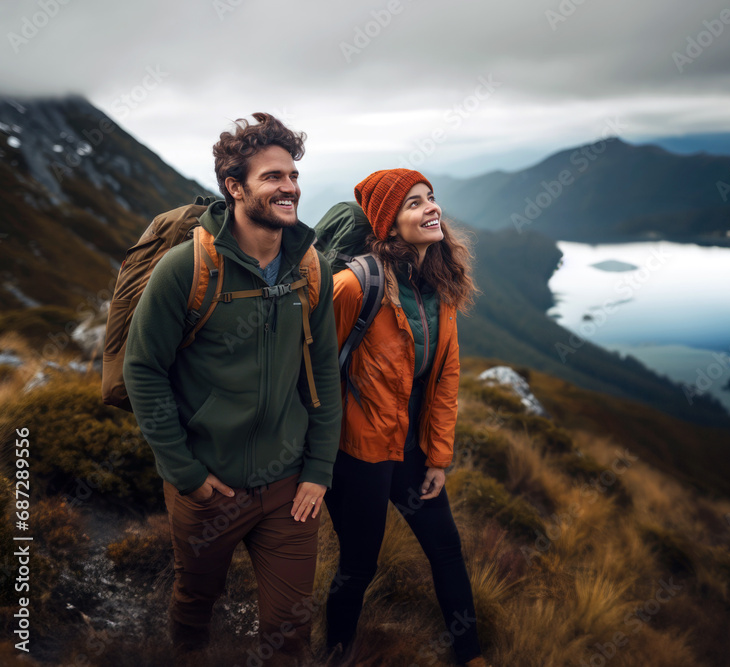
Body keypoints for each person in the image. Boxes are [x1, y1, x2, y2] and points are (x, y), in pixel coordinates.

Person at [123, 113, 341, 662]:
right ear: (235, 187)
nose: (288, 186)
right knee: (195, 602)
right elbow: (143, 369)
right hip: (208, 486)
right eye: (272, 177)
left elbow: (324, 374)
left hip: (289, 490)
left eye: (292, 174)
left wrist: (317, 471)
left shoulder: (308, 268)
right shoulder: (186, 269)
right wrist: (187, 475)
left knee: (290, 632)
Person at [323, 169, 488, 666]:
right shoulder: (354, 285)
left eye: (431, 198)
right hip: (358, 455)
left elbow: (445, 376)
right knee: (359, 565)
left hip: (412, 451)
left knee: (446, 549)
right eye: (413, 204)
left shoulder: (440, 284)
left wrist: (437, 456)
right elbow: (309, 373)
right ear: (389, 226)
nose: (431, 208)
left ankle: (471, 655)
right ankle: (337, 655)